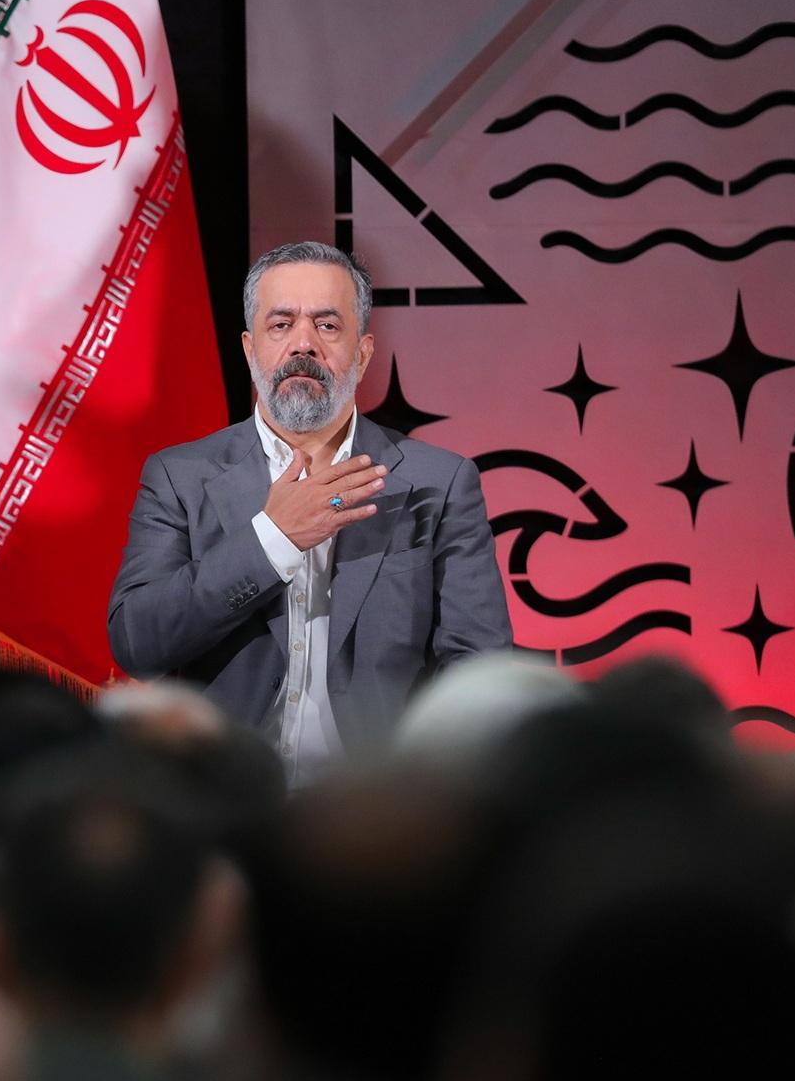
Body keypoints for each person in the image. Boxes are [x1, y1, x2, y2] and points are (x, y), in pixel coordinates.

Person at [107, 241, 511, 777]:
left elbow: (479, 669)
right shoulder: (179, 476)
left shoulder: (438, 483)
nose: (303, 344)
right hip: (224, 793)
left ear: (362, 354)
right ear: (250, 349)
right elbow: (138, 642)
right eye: (281, 325)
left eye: (327, 325)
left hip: (376, 799)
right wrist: (272, 539)